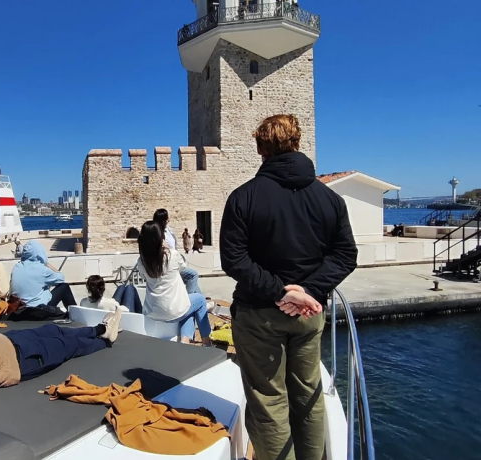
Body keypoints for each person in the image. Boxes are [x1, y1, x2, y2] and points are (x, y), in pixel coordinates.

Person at [220, 114, 357, 460]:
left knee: (269, 400)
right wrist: (307, 292)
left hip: (258, 316)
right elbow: (345, 255)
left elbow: (234, 260)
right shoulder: (330, 199)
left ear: (260, 149)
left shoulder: (243, 198)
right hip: (309, 315)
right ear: (297, 143)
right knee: (309, 395)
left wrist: (282, 292)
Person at [136, 221, 211, 345]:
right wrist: (168, 248)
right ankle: (206, 341)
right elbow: (183, 267)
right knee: (200, 300)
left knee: (188, 307)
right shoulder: (172, 255)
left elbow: (144, 276)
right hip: (173, 311)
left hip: (152, 311)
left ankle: (185, 341)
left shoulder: (141, 262)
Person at [10, 240, 77, 308]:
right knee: (64, 287)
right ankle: (76, 313)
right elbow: (61, 278)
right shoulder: (42, 269)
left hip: (19, 309)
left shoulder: (16, 267)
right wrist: (47, 264)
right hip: (38, 309)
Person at [152, 209, 201, 295]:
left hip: (175, 260)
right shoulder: (157, 234)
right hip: (168, 265)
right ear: (163, 219)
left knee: (192, 279)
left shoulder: (168, 230)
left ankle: (201, 298)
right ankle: (190, 300)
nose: (169, 219)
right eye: (167, 217)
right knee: (193, 275)